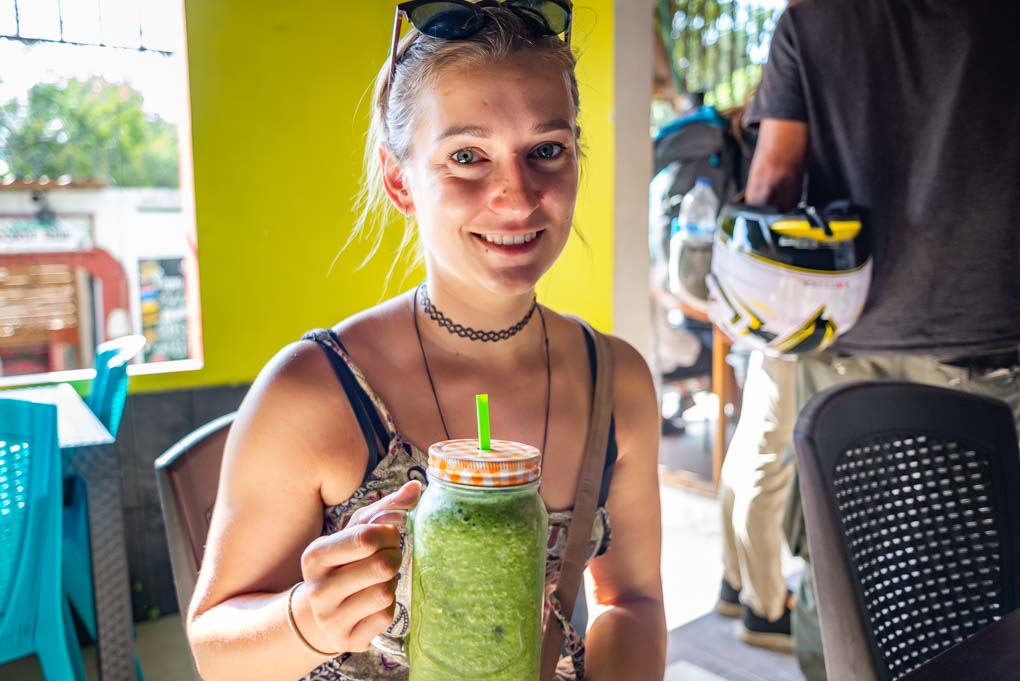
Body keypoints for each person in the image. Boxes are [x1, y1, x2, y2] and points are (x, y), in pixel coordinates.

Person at [184, 4, 667, 681]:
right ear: (399, 180)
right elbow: (214, 646)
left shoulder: (617, 381)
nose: (518, 195)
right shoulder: (314, 390)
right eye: (467, 156)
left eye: (546, 150)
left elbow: (630, 599)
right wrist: (308, 618)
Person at [745, 1, 1020, 678]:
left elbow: (774, 180)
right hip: (989, 341)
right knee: (988, 577)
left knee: (842, 572)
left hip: (843, 337)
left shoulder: (812, 19)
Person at [717, 351, 796, 651]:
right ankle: (766, 609)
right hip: (793, 329)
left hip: (771, 331)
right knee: (768, 463)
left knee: (753, 448)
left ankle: (736, 582)